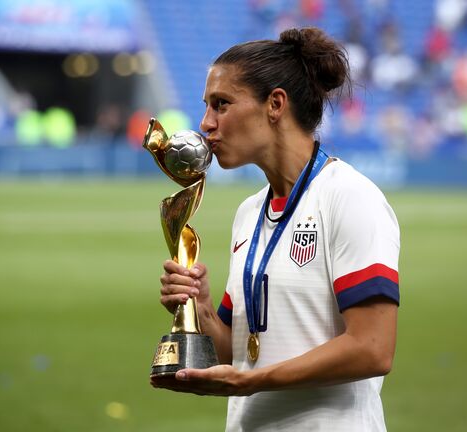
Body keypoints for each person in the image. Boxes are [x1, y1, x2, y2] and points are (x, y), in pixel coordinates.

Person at [153, 27, 400, 431]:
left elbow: (373, 349)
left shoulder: (350, 198)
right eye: (207, 107)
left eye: (222, 104)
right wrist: (200, 311)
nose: (206, 124)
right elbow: (238, 354)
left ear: (275, 104)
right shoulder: (249, 212)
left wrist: (252, 382)